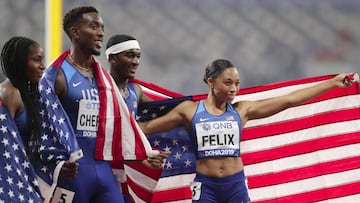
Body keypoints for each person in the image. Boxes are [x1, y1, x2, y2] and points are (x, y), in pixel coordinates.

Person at [139, 59, 356, 203]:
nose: (234, 89)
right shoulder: (188, 111)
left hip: (235, 185)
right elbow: (145, 128)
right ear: (211, 82)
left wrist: (332, 83)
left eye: (237, 83)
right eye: (228, 82)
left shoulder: (242, 111)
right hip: (206, 187)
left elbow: (290, 100)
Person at [36, 6, 156, 203]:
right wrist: (56, 164)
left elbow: (123, 123)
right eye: (93, 27)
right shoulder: (56, 76)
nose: (101, 33)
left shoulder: (104, 79)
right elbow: (40, 126)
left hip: (104, 170)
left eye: (102, 27)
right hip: (72, 174)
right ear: (75, 32)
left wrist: (145, 152)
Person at [106, 34, 168, 203]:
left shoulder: (135, 91)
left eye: (138, 56)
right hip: (105, 168)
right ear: (112, 58)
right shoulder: (100, 89)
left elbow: (171, 108)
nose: (135, 61)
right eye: (129, 55)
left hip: (130, 169)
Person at [0, 36, 44, 202]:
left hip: (25, 172)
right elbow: (4, 145)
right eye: (36, 60)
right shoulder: (9, 92)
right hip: (10, 179)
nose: (43, 66)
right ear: (19, 62)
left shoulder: (27, 93)